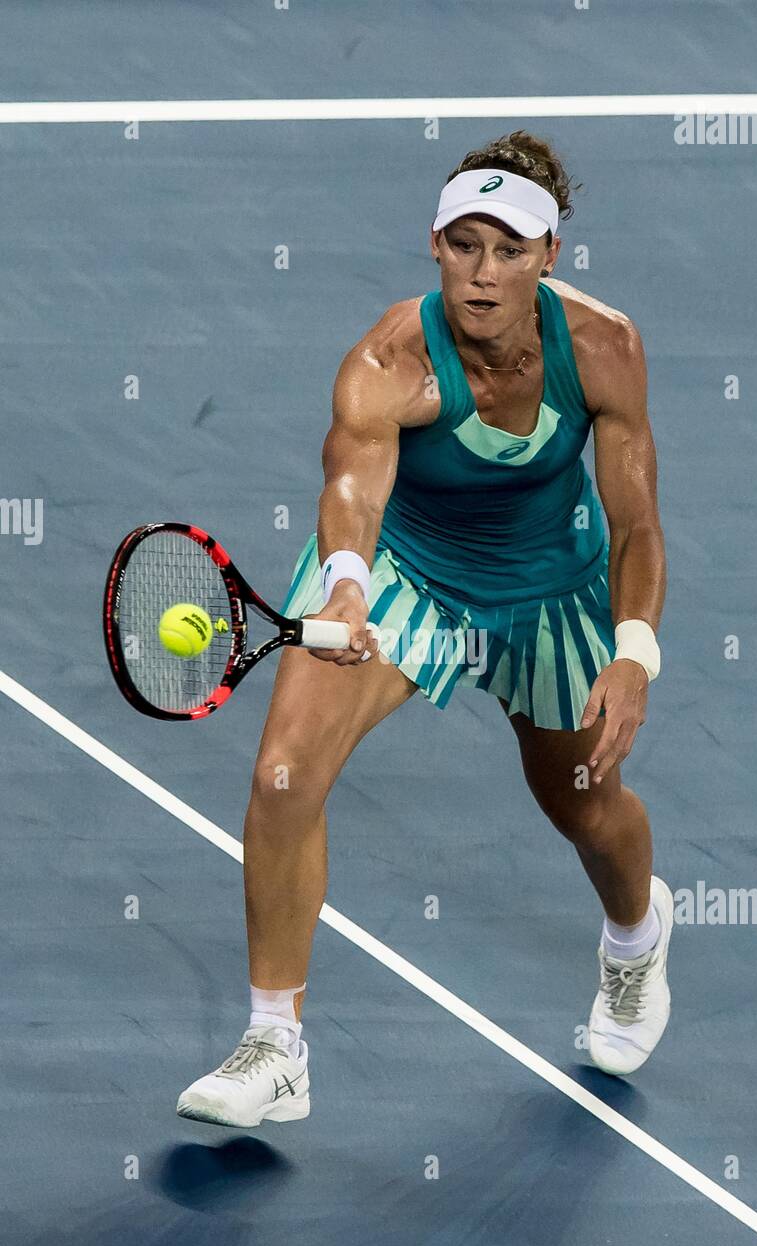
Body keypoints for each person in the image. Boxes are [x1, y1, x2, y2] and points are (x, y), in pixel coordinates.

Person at [177, 130, 670, 1129]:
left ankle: (635, 938)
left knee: (583, 805)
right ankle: (276, 1044)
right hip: (406, 575)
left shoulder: (604, 348)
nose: (482, 275)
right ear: (434, 245)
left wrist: (631, 651)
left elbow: (636, 524)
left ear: (548, 258)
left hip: (549, 588)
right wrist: (348, 584)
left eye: (507, 249)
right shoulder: (388, 360)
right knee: (283, 773)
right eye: (462, 246)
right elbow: (352, 486)